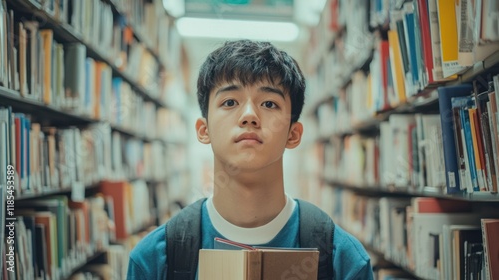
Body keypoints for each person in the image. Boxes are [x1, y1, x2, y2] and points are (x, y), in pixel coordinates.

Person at [126, 39, 373, 279]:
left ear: (293, 134)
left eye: (269, 103)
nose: (249, 116)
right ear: (204, 130)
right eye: (230, 101)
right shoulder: (155, 259)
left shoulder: (343, 260)